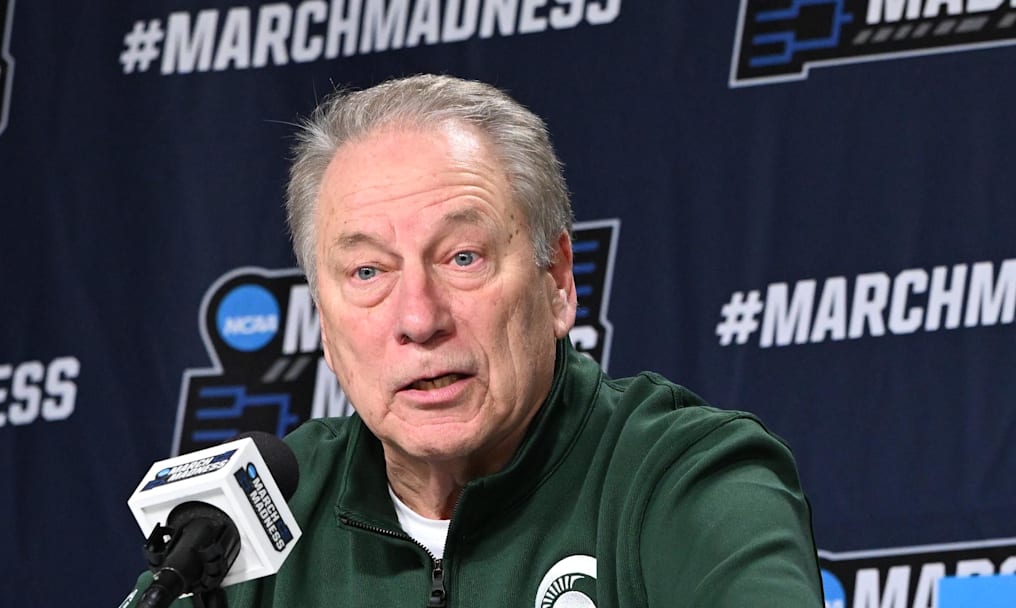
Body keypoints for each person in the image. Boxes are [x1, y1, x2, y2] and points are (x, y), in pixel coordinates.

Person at [129, 74, 823, 607]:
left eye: (463, 257)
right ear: (323, 320)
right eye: (368, 272)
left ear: (557, 282)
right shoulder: (251, 519)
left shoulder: (685, 476)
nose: (419, 318)